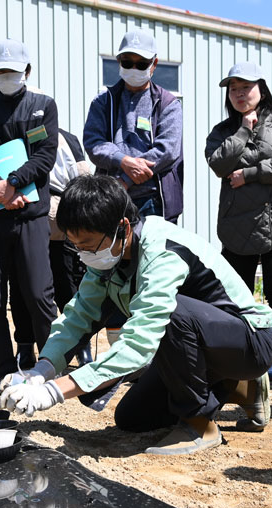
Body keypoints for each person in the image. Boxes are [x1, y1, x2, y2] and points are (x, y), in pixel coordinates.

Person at [0, 174, 272, 455]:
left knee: (173, 312)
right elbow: (78, 316)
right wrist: (41, 371)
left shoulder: (162, 252)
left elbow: (138, 343)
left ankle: (200, 424)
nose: (84, 255)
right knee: (132, 418)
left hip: (251, 341)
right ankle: (240, 387)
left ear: (123, 226)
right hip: (202, 348)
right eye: (77, 247)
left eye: (89, 244)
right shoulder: (108, 257)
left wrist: (53, 391)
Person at [0, 39, 58, 382]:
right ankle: (4, 368)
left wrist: (14, 183)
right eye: (0, 72)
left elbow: (45, 155)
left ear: (26, 72)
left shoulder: (43, 106)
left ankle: (50, 365)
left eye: (12, 72)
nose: (6, 76)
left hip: (31, 216)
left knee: (37, 293)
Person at [205, 62, 272, 382]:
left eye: (245, 87)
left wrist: (248, 174)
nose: (239, 94)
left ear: (261, 89)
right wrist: (244, 131)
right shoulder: (223, 131)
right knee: (237, 293)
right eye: (233, 89)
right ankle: (242, 355)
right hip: (238, 224)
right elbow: (218, 164)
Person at [83, 29, 184, 345]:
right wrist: (124, 161)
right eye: (127, 61)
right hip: (113, 205)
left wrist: (126, 177)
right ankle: (118, 350)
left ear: (154, 65)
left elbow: (169, 148)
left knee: (152, 274)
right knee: (113, 272)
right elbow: (94, 142)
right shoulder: (104, 102)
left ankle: (153, 349)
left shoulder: (168, 103)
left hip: (154, 203)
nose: (133, 67)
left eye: (141, 62)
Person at [9, 128, 93, 368]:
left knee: (67, 285)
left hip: (60, 217)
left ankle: (80, 346)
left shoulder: (67, 138)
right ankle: (25, 347)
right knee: (21, 286)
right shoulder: (12, 136)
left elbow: (82, 177)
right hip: (22, 214)